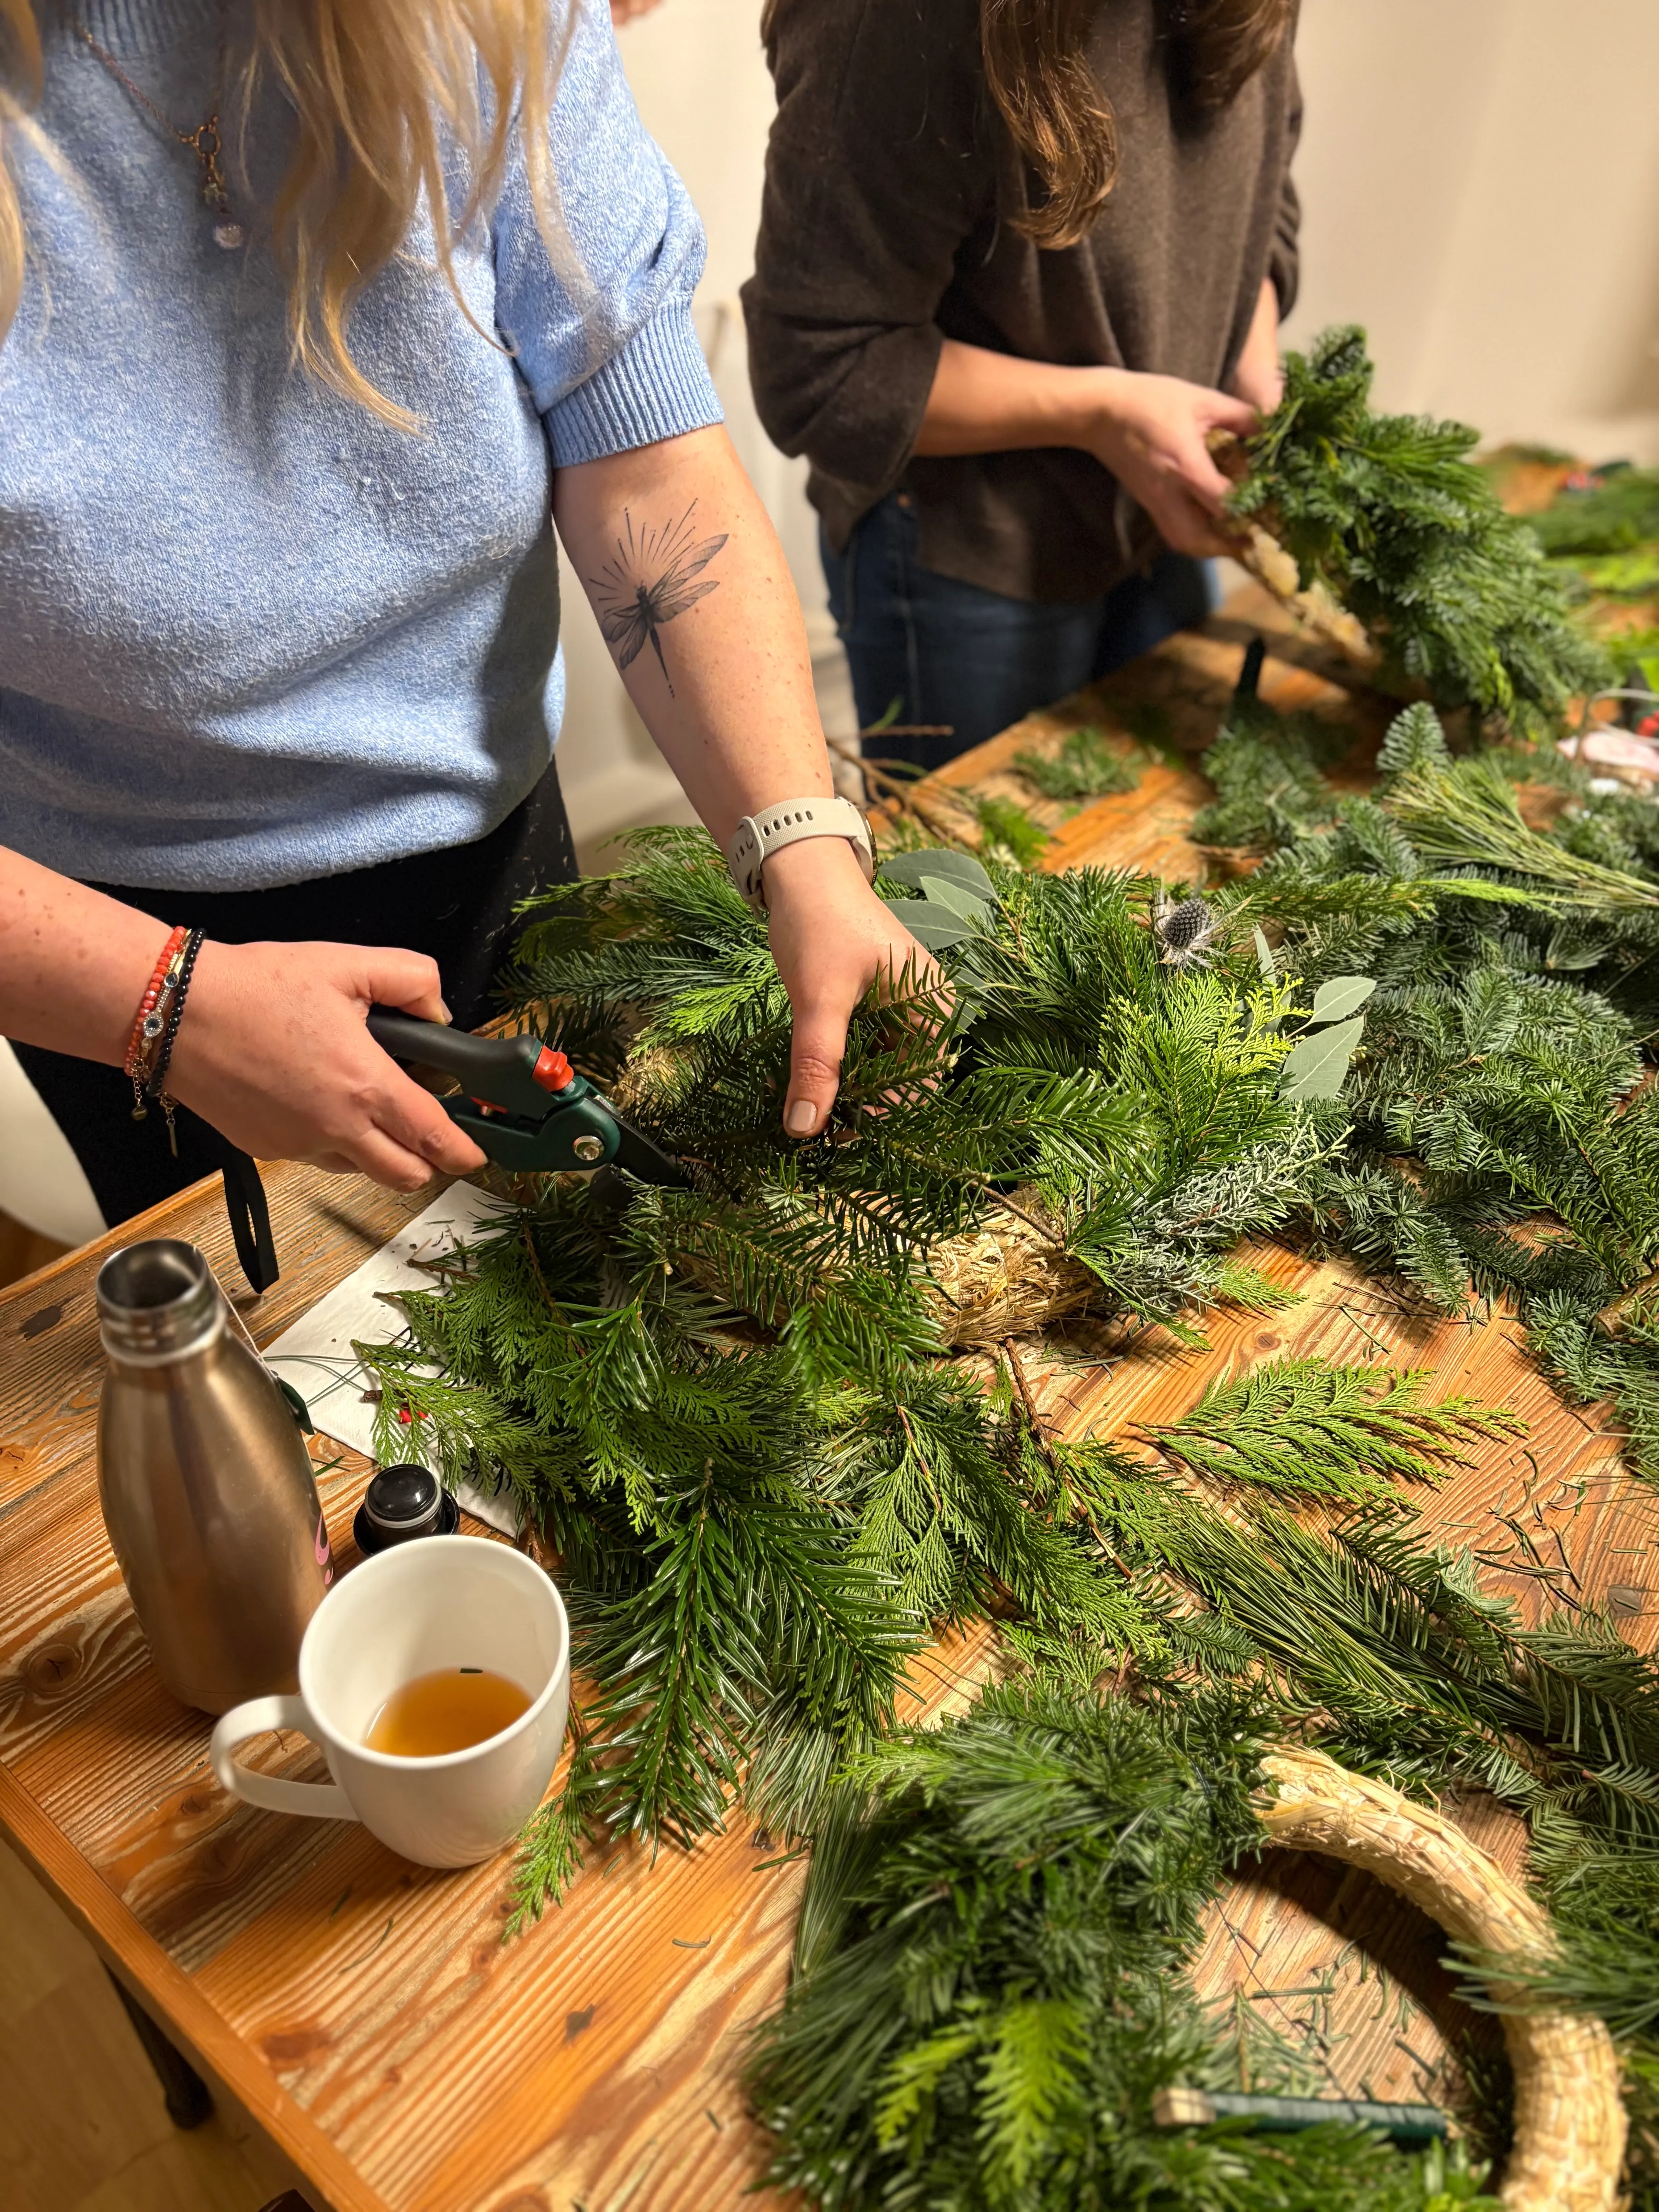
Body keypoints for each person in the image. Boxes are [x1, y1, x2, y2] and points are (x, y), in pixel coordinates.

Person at [0, 0, 920, 1279]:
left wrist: (802, 842)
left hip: (489, 846)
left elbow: (643, 462)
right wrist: (164, 1007)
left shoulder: (484, 21)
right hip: (99, 935)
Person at [743, 0, 1300, 769]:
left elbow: (1256, 198)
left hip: (1157, 512)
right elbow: (821, 368)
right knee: (985, 881)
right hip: (974, 552)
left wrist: (1257, 388)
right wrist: (1107, 414)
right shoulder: (890, 20)